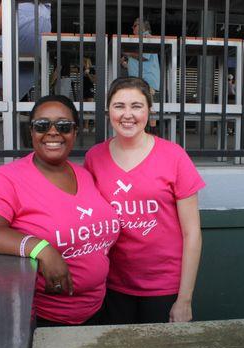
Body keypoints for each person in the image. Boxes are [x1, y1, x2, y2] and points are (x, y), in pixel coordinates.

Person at [0, 95, 119, 327]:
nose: (53, 132)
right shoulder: (7, 179)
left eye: (63, 126)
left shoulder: (85, 175)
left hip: (98, 310)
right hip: (45, 319)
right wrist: (43, 250)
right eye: (42, 125)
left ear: (75, 132)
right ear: (31, 132)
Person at [84, 77, 205, 324]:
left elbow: (192, 233)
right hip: (112, 285)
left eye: (136, 106)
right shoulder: (94, 158)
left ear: (149, 112)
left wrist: (184, 299)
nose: (127, 114)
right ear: (109, 111)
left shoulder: (174, 156)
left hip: (164, 287)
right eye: (119, 106)